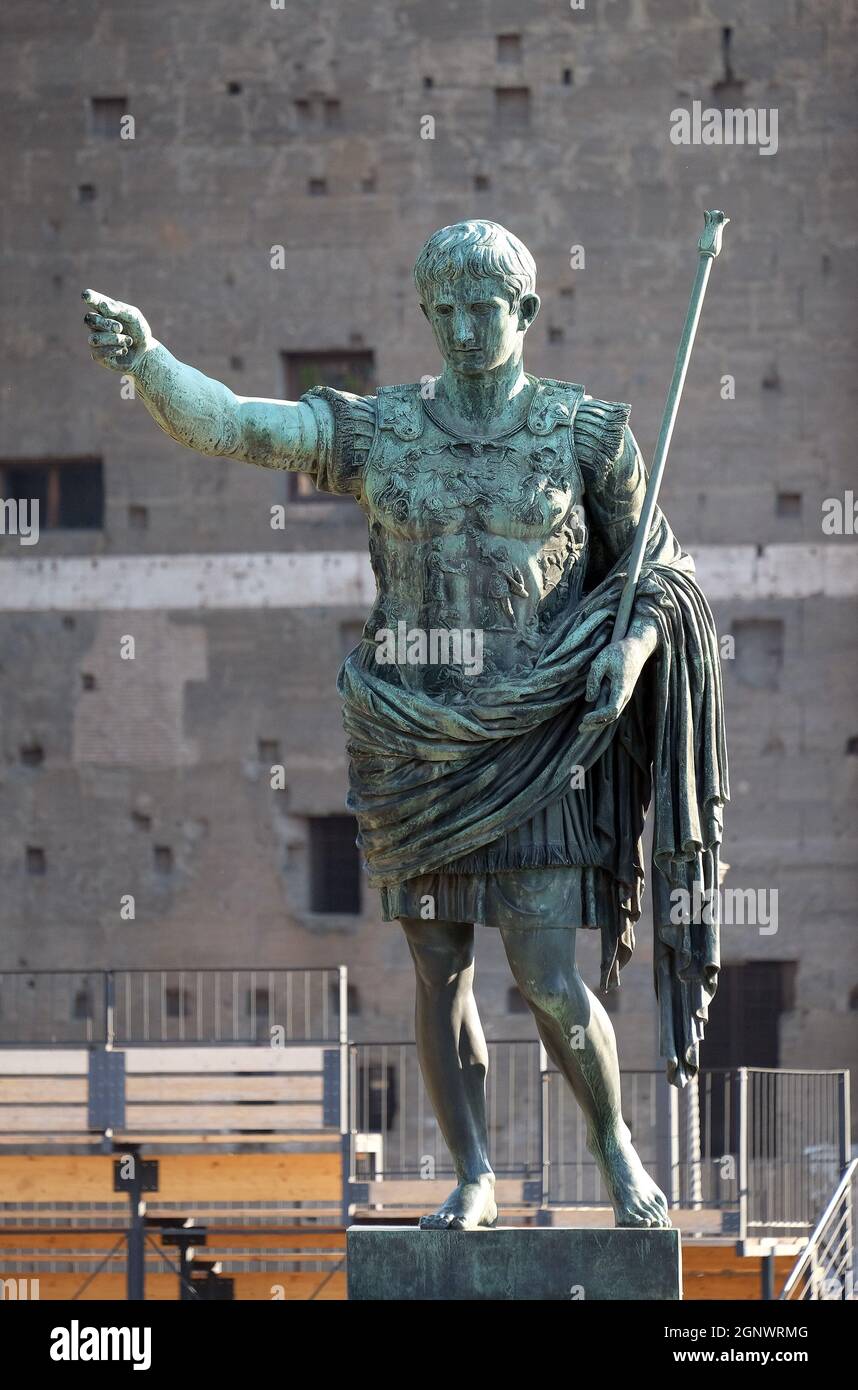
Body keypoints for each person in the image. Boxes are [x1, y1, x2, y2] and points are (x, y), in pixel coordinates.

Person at [82, 219, 727, 1230]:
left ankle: (614, 1146)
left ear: (524, 313)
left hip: (537, 737)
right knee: (440, 968)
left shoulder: (588, 432)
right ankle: (472, 1173)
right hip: (411, 737)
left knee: (550, 976)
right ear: (428, 314)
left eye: (490, 309)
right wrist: (151, 361)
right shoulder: (382, 430)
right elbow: (239, 426)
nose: (470, 328)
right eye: (451, 310)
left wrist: (633, 651)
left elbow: (661, 573)